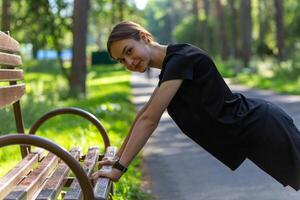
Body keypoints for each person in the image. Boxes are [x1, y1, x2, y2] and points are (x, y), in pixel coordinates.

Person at [92, 21, 300, 191]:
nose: (129, 62)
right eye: (121, 60)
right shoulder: (171, 68)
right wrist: (116, 158)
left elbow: (149, 120)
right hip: (254, 134)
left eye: (129, 51)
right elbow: (144, 114)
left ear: (144, 37)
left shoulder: (180, 60)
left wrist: (118, 169)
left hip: (261, 127)